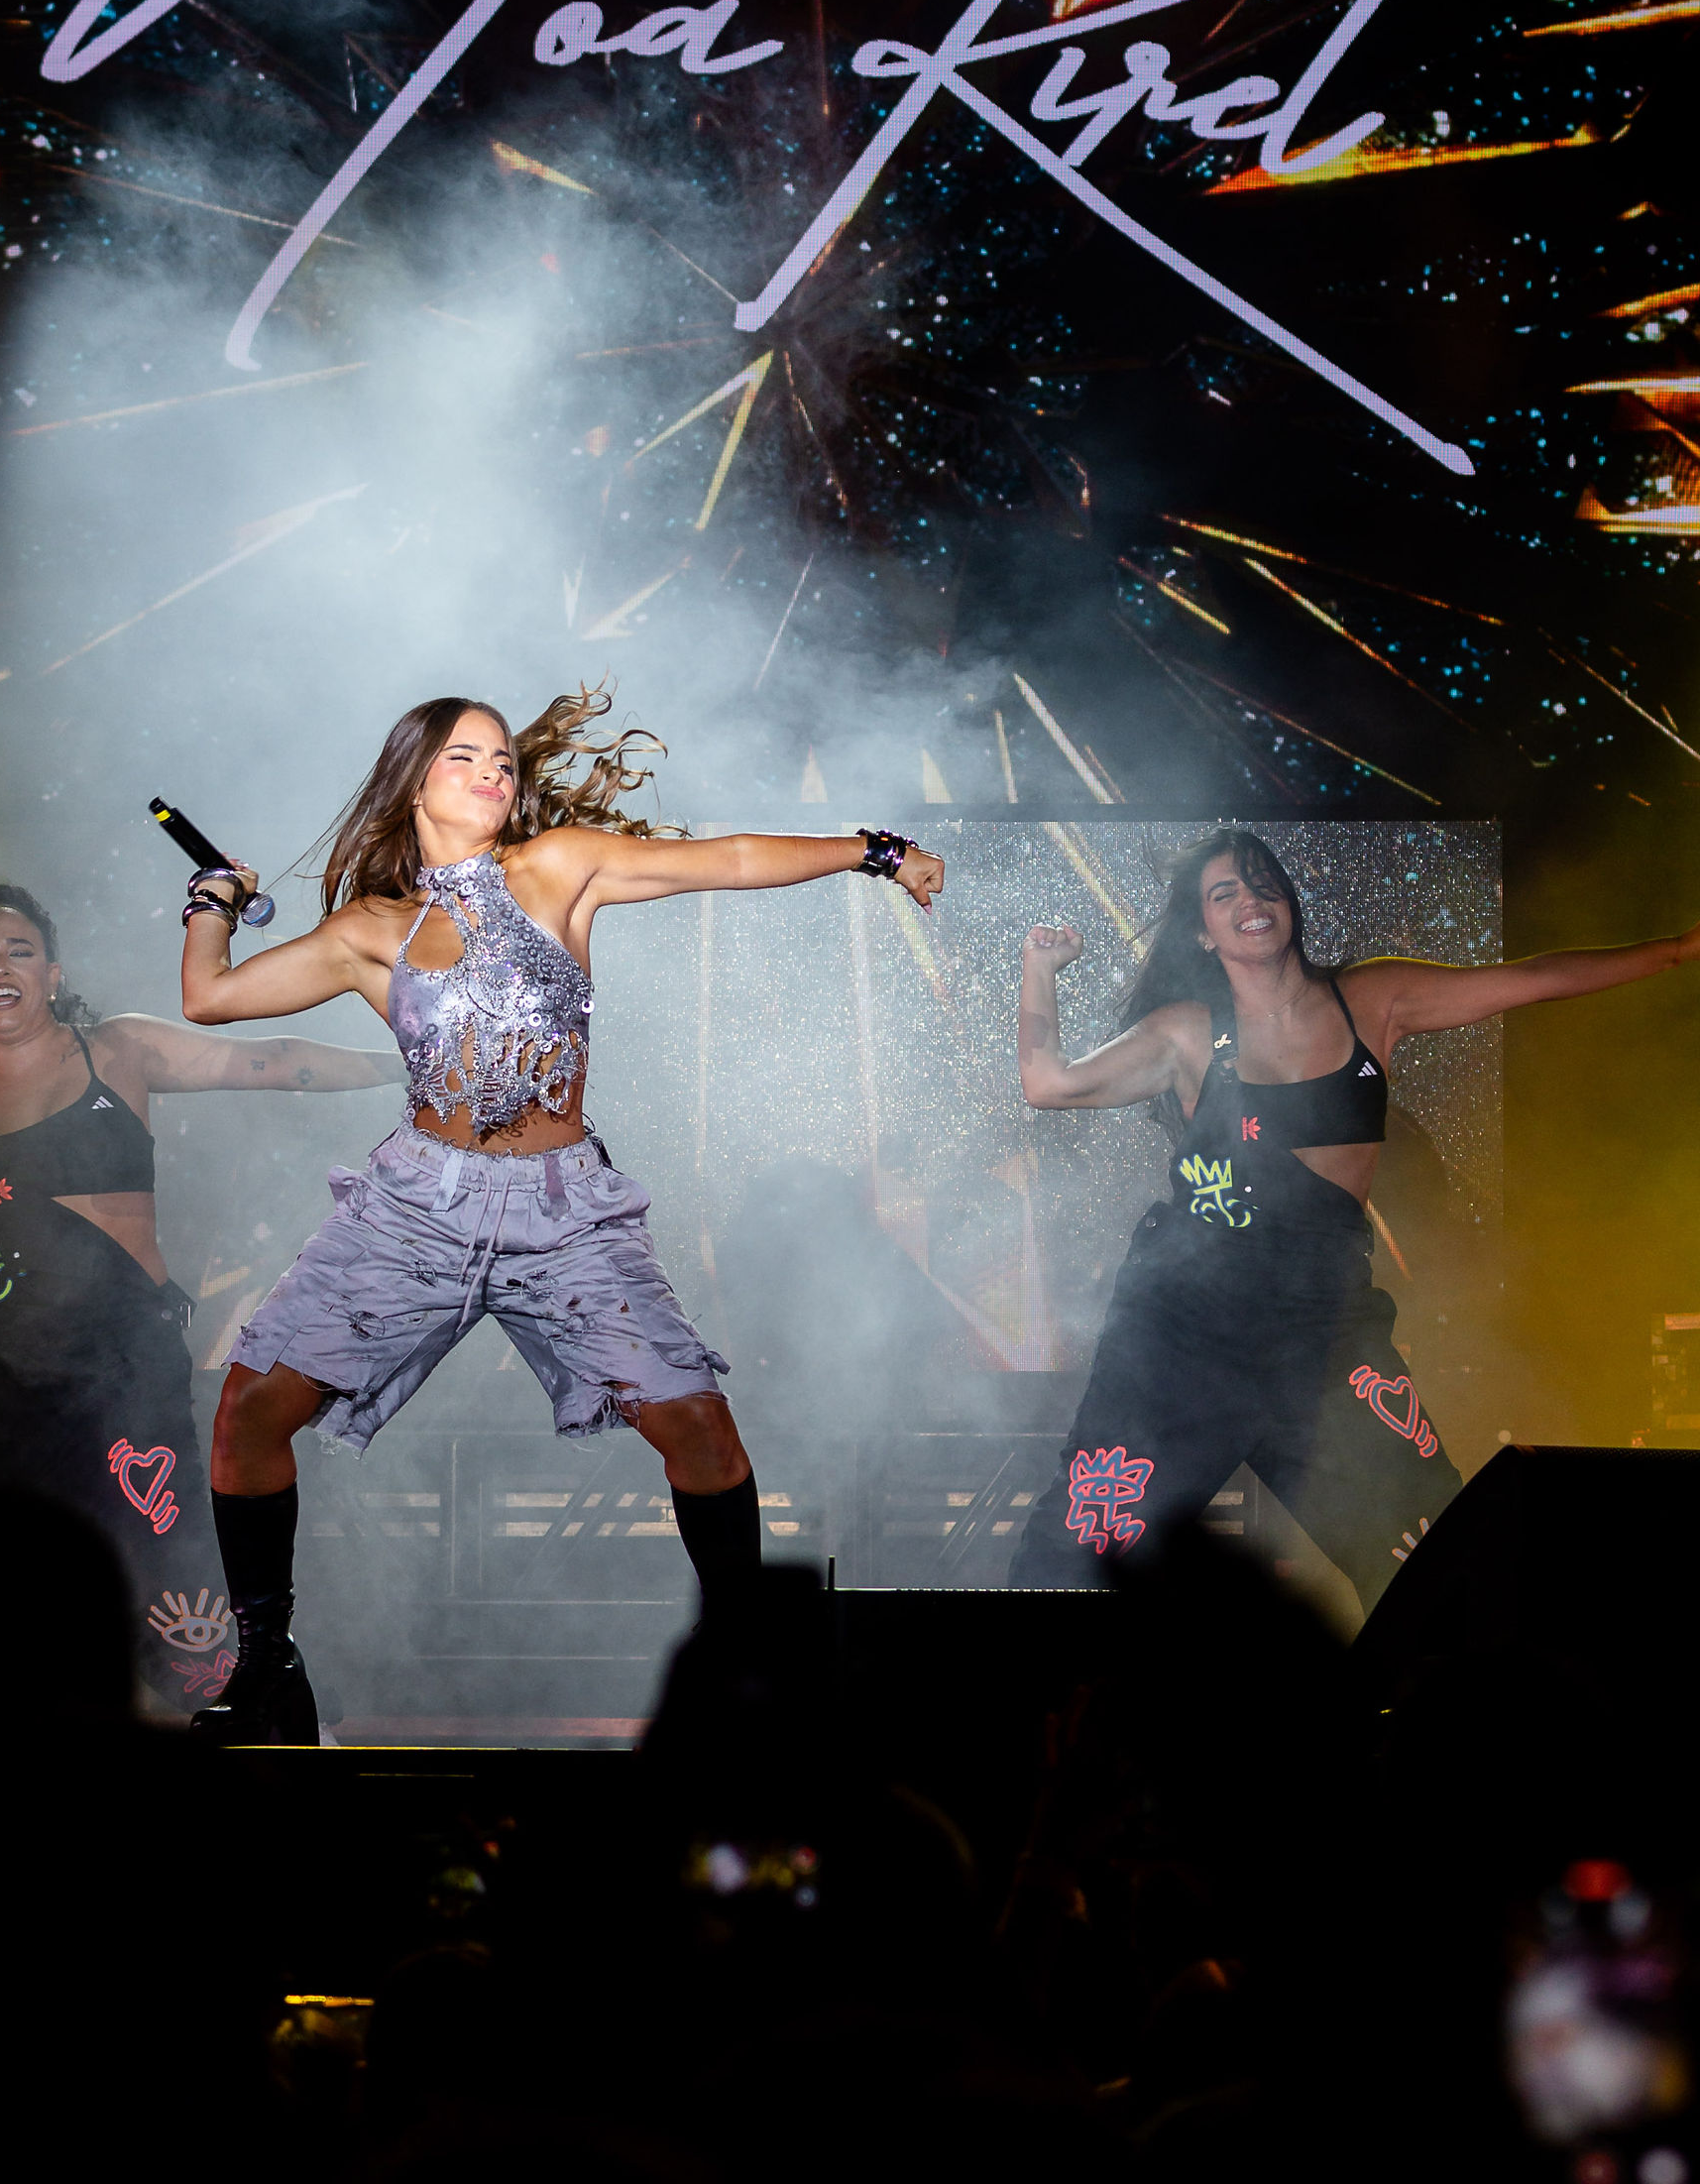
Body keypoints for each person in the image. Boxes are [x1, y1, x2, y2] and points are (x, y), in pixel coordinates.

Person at [177, 689, 944, 1742]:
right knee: (249, 1410)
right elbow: (209, 1000)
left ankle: (743, 1674)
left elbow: (725, 860)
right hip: (418, 1209)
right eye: (465, 757)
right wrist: (211, 901)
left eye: (502, 759)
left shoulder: (557, 867)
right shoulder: (369, 931)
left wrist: (875, 850)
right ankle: (269, 1667)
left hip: (561, 1210)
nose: (494, 773)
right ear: (411, 779)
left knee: (698, 1428)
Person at [0, 838, 401, 1703]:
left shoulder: (118, 1051)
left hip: (115, 1360)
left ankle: (241, 1736)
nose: (1, 966)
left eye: (20, 950)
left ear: (52, 973)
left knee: (169, 1565)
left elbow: (276, 1062)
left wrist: (419, 1066)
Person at [1008, 828, 1700, 1608]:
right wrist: (1039, 970)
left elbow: (1533, 978)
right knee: (1081, 1557)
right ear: (1204, 929)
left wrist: (1677, 950)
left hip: (1325, 1328)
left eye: (1263, 882)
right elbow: (1047, 1083)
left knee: (1436, 1561)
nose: (1251, 901)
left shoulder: (1374, 998)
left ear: (1288, 902)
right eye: (1225, 893)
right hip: (1189, 1330)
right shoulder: (1186, 1031)